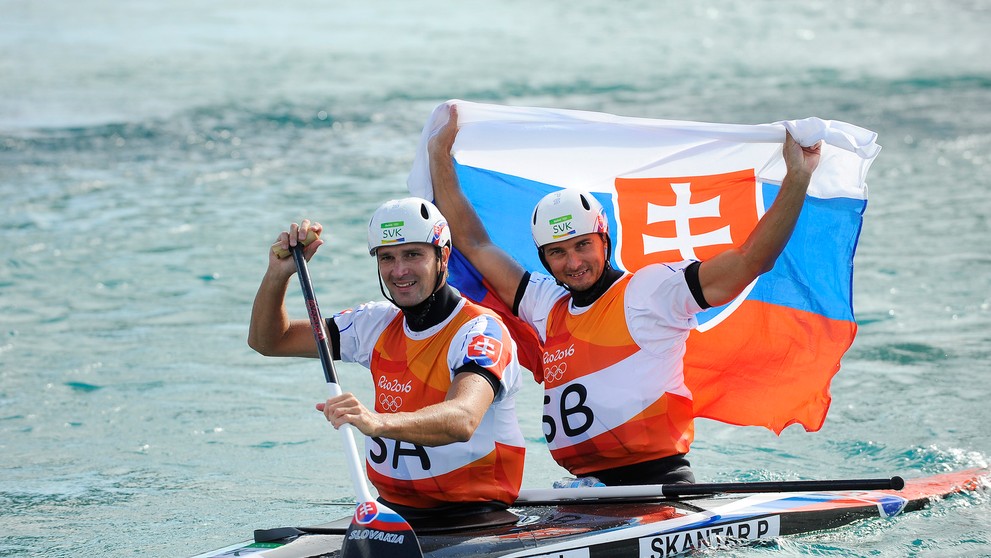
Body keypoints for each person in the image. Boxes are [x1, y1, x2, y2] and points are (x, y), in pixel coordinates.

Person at [429, 104, 822, 486]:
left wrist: (797, 178)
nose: (573, 262)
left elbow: (749, 261)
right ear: (544, 259)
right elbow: (475, 244)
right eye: (558, 253)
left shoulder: (650, 290)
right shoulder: (545, 304)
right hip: (586, 491)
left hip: (658, 484)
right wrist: (440, 154)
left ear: (605, 239)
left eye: (583, 245)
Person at [247, 197, 526, 520]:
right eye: (387, 258)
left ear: (443, 256)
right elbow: (269, 341)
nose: (399, 270)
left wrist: (376, 422)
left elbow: (463, 418)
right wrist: (279, 275)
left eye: (413, 255)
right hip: (392, 514)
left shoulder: (480, 330)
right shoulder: (376, 323)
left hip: (475, 516)